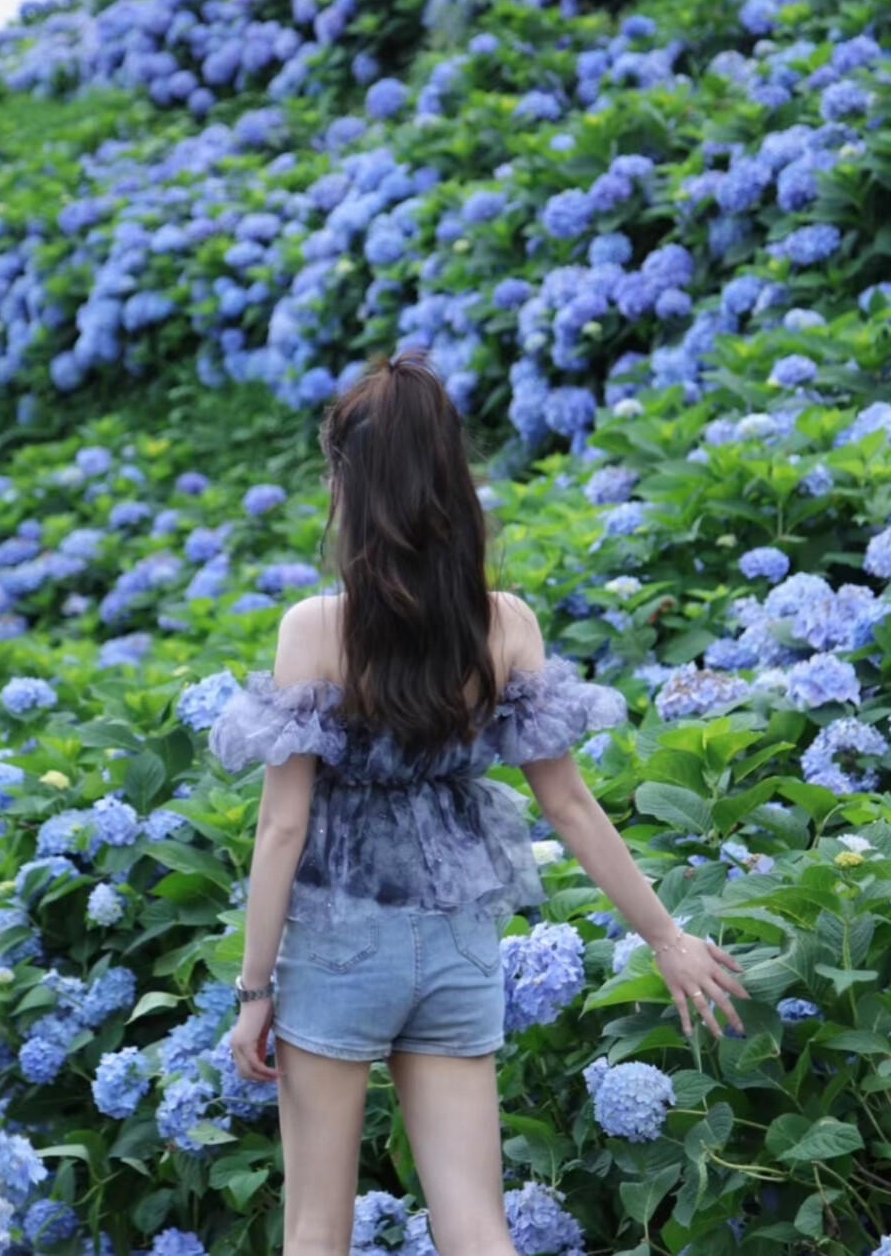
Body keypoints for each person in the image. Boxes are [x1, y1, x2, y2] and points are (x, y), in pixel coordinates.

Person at [208, 349, 749, 1256]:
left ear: (350, 482)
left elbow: (284, 826)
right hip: (458, 937)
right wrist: (666, 937)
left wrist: (255, 989)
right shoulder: (507, 626)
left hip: (340, 945)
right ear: (453, 479)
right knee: (476, 1227)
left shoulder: (314, 629)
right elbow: (571, 806)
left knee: (313, 1230)